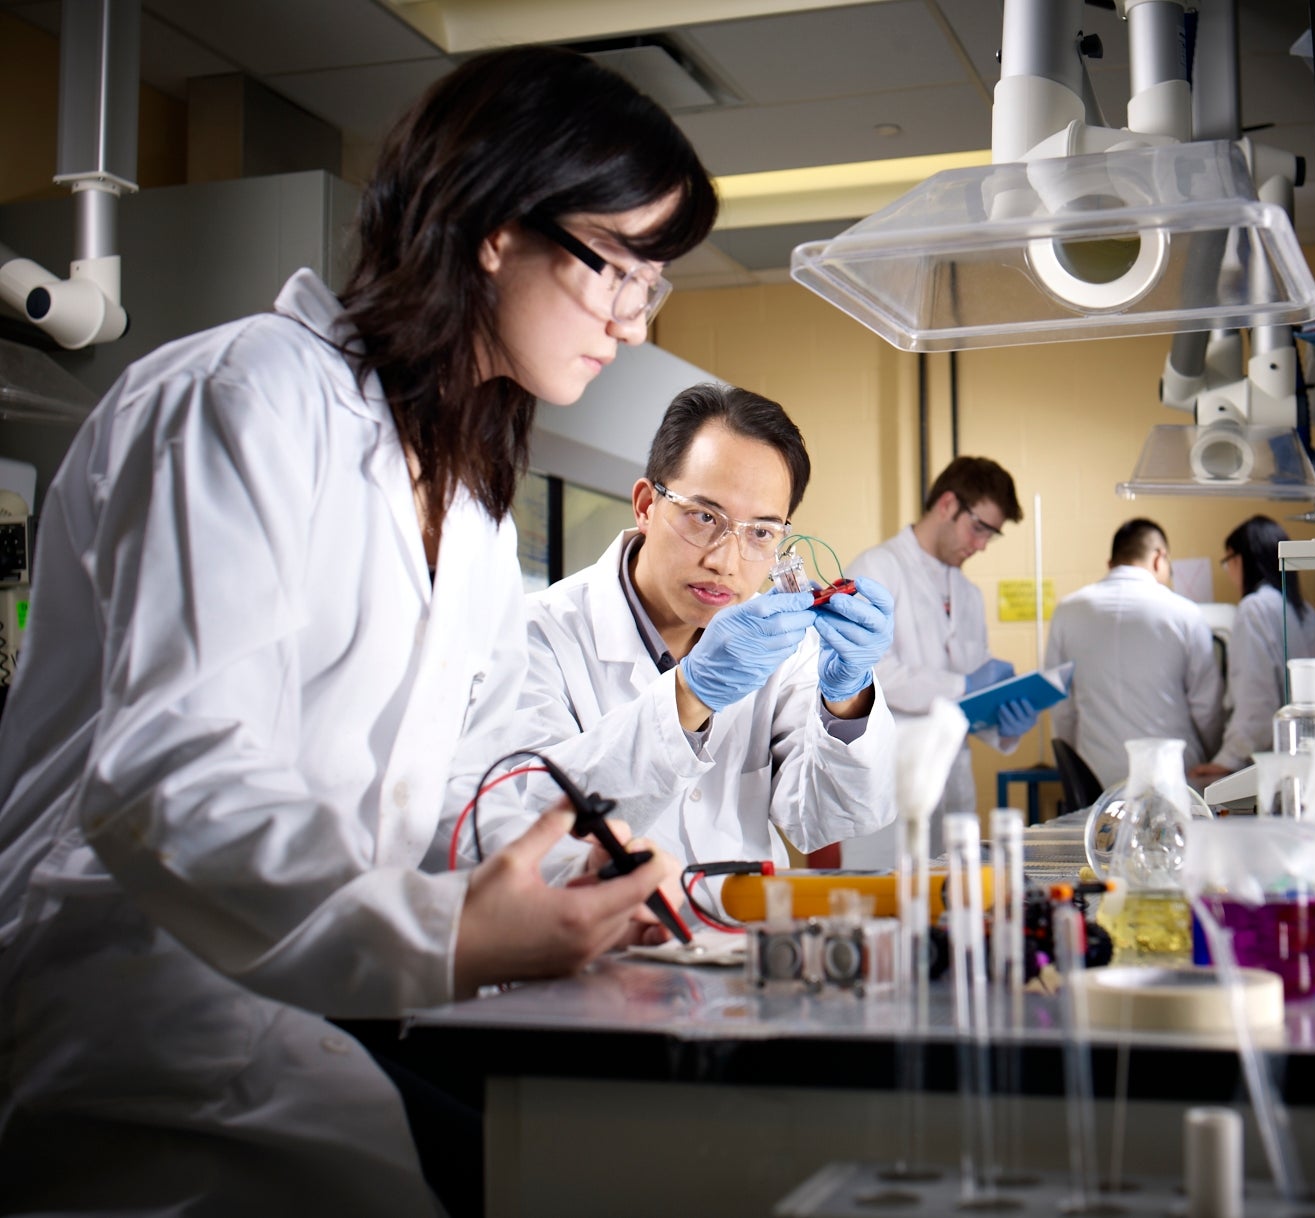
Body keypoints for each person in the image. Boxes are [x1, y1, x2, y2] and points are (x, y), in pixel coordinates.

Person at [0, 46, 718, 1215]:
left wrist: (568, 864)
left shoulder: (472, 500)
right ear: (496, 226)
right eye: (620, 273)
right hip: (136, 1013)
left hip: (316, 1002)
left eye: (653, 287)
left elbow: (441, 787)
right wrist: (455, 931)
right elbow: (171, 786)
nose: (634, 326)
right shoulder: (242, 401)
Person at [519, 383, 898, 895]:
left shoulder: (784, 649)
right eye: (704, 517)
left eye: (760, 533)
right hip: (601, 947)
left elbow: (830, 818)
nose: (725, 561)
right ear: (646, 505)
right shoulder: (538, 634)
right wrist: (689, 696)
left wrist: (847, 700)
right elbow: (528, 826)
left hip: (741, 947)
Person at [839, 457, 1037, 864]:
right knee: (886, 910)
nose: (981, 545)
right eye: (979, 527)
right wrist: (964, 686)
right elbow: (866, 673)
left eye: (991, 535)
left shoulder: (968, 595)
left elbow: (966, 707)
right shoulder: (876, 568)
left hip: (952, 789)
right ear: (947, 504)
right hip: (887, 789)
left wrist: (1003, 719)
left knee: (952, 910)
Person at [1044, 518, 1224, 788]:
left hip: (1097, 780)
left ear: (1110, 564)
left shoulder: (1067, 612)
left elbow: (1061, 708)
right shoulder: (1186, 613)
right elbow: (1206, 708)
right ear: (1159, 558)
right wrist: (1215, 757)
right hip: (1176, 777)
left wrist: (1075, 768)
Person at [1192, 514, 1315, 781]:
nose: (1229, 571)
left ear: (1241, 559)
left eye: (1227, 561)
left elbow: (1257, 703)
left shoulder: (1254, 609)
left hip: (1280, 766)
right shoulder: (1304, 611)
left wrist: (1228, 760)